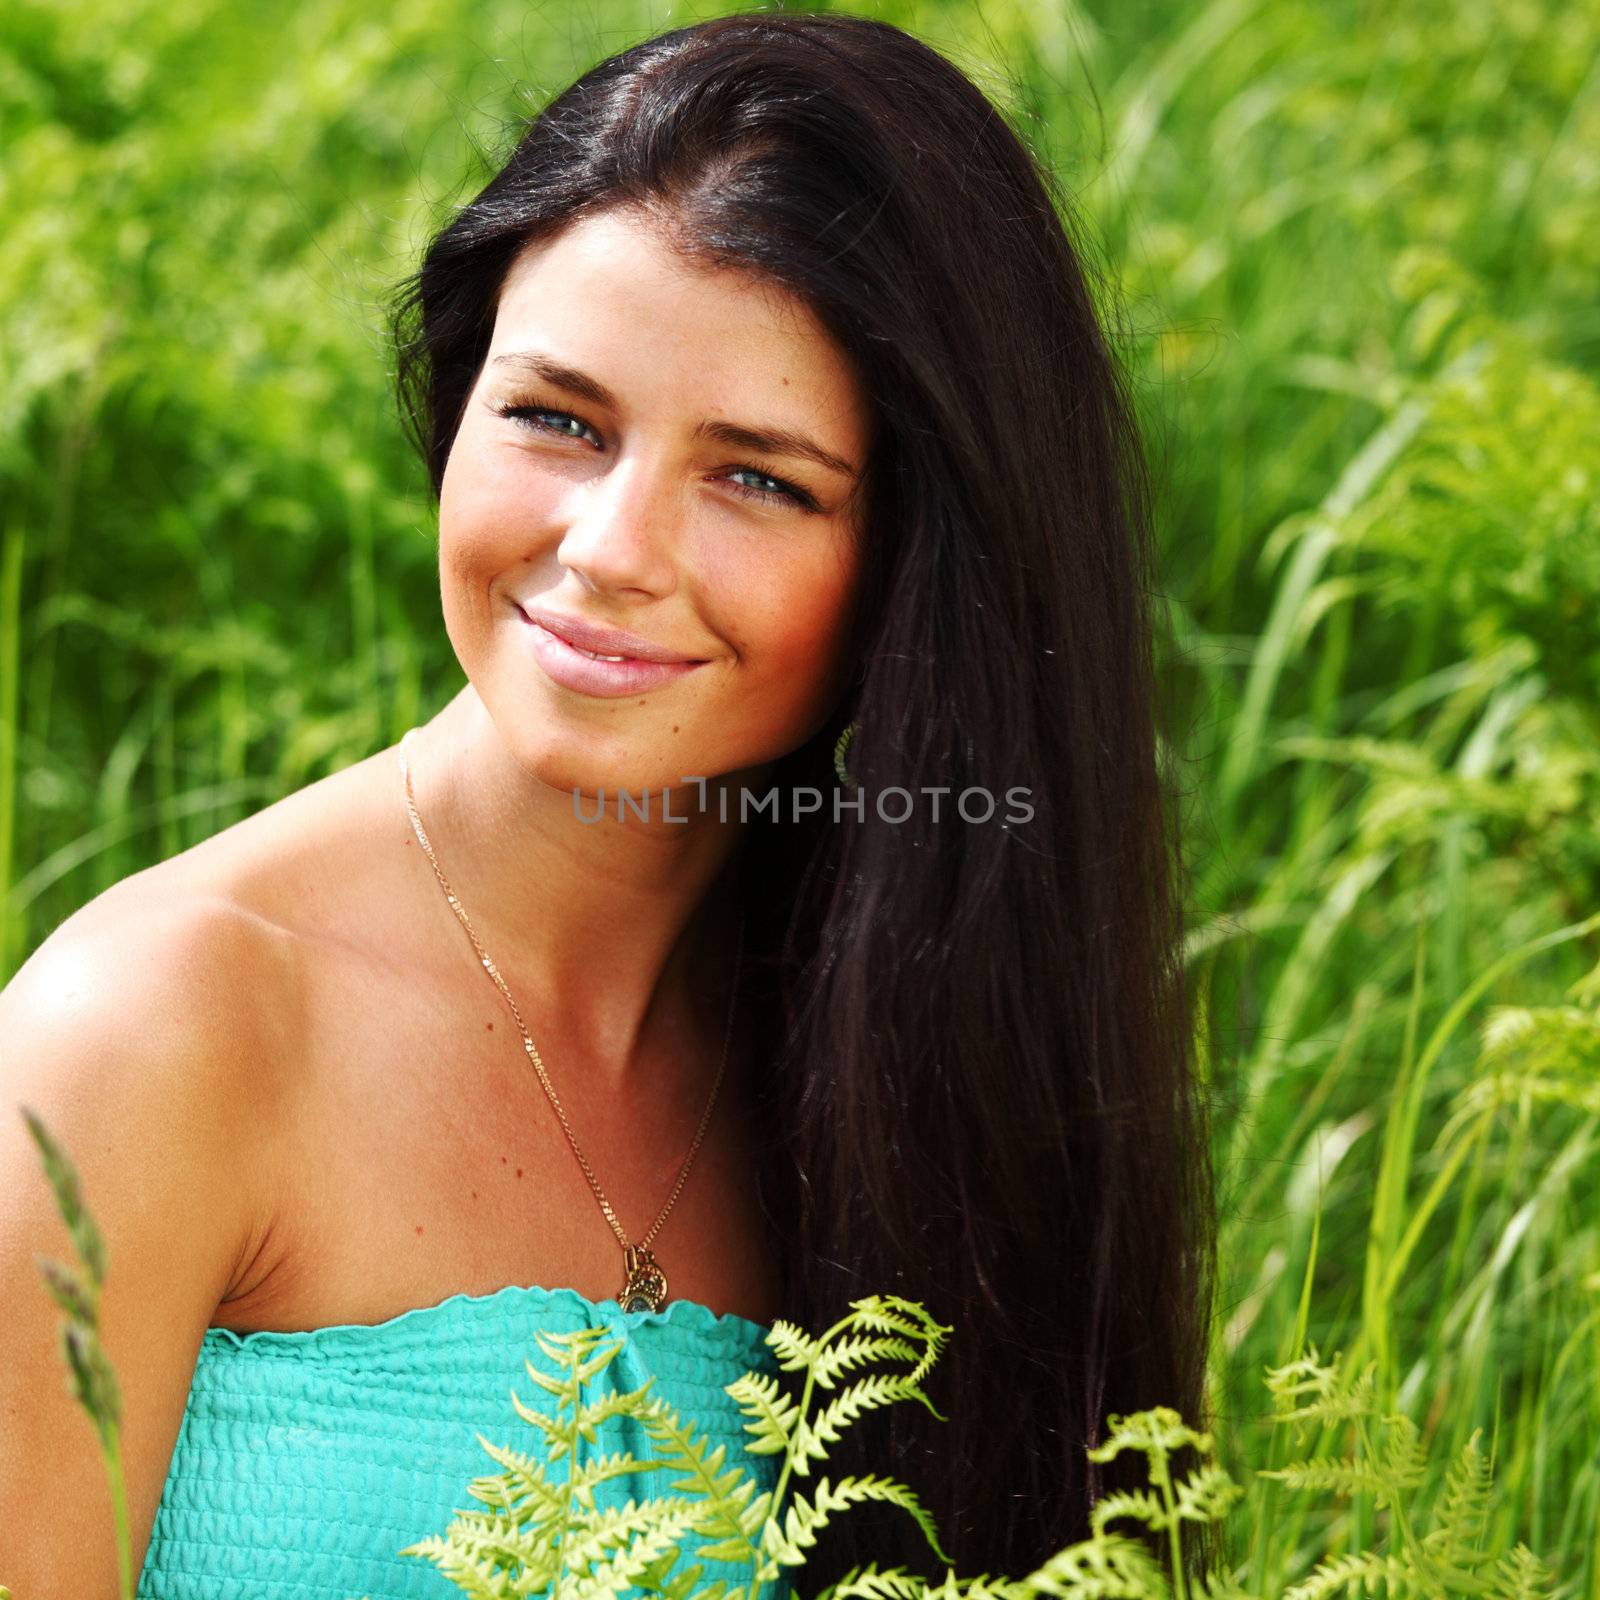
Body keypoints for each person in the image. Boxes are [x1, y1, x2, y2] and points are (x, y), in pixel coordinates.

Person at [0, 10, 1216, 1596]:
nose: (610, 548)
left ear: (928, 569)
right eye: (556, 419)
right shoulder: (150, 1037)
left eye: (759, 477)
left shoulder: (929, 1050)